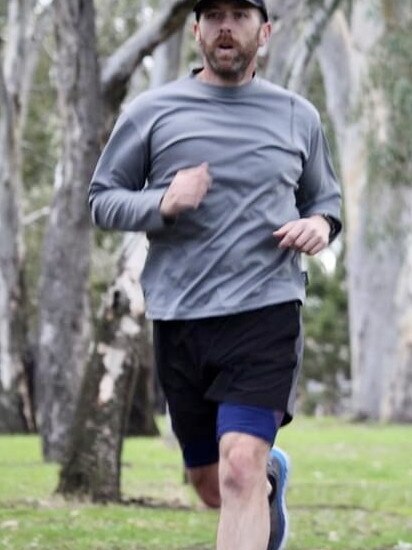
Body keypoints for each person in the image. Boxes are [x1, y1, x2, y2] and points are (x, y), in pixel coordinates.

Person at [88, 0, 342, 548]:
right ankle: (270, 476)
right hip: (181, 318)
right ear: (197, 29)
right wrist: (163, 202)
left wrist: (320, 226)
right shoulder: (151, 112)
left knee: (237, 471)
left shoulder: (298, 115)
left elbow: (325, 201)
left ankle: (256, 471)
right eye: (215, 14)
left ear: (265, 30)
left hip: (265, 312)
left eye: (242, 14)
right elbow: (102, 201)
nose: (228, 26)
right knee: (211, 485)